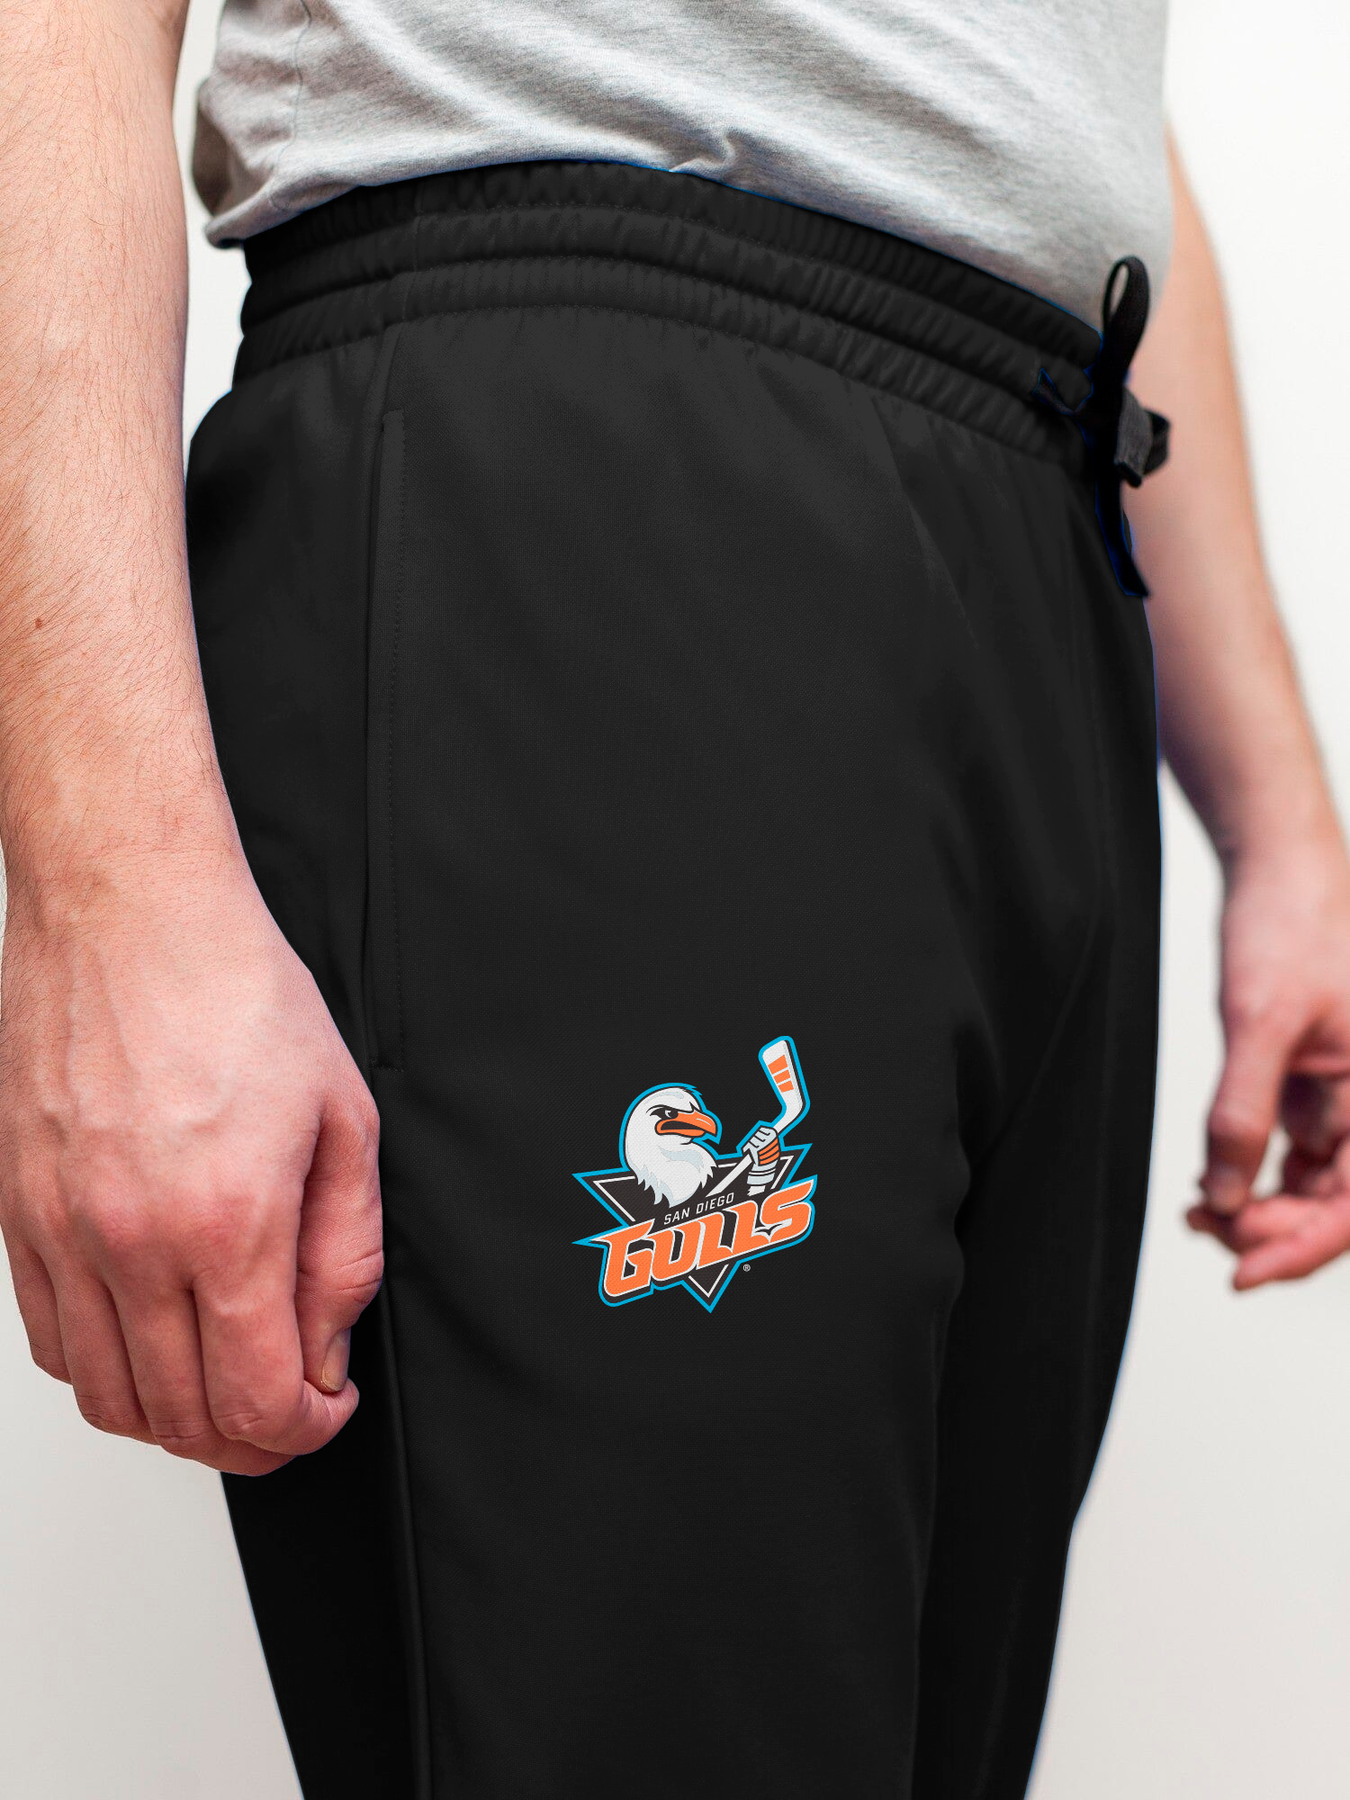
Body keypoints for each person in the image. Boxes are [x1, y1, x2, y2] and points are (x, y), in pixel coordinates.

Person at [1, 2, 1347, 1795]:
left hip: (1041, 513)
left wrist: (1281, 833)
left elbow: (1059, 114)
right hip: (597, 470)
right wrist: (107, 892)